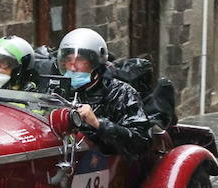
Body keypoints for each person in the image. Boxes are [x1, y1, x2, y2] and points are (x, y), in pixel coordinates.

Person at [55, 28, 152, 158]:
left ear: (94, 63)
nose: (72, 67)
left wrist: (98, 123)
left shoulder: (121, 93)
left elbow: (141, 142)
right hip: (69, 160)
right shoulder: (59, 91)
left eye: (79, 60)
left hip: (108, 168)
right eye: (68, 60)